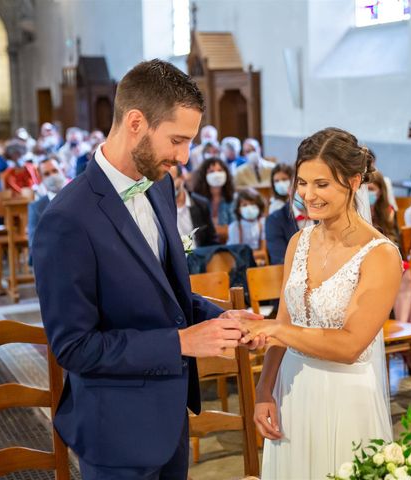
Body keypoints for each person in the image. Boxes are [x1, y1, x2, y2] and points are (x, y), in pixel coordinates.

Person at [33, 59, 263, 480]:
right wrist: (180, 342)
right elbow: (74, 348)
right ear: (136, 122)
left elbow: (168, 294)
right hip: (115, 431)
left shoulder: (160, 185)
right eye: (177, 140)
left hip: (170, 415)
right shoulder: (67, 219)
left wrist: (221, 320)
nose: (185, 157)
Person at [239, 128, 402, 479]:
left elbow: (350, 345)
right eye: (302, 182)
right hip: (292, 390)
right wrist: (265, 390)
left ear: (354, 181)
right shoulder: (299, 240)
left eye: (322, 184)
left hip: (345, 398)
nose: (307, 195)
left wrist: (276, 330)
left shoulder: (380, 256)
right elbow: (284, 321)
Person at [28, 156, 67, 262]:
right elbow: (34, 241)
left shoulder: (79, 197)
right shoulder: (36, 207)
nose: (52, 176)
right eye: (47, 174)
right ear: (41, 178)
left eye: (55, 171)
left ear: (62, 171)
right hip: (52, 258)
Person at [169, 164, 218, 247]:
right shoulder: (161, 208)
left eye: (171, 180)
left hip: (199, 256)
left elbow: (211, 238)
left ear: (182, 178)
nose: (167, 185)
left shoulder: (201, 204)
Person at [192, 157, 236, 227]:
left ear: (226, 173)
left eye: (220, 170)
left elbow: (234, 224)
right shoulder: (196, 199)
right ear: (204, 175)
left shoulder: (232, 198)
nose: (216, 174)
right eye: (211, 171)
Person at [368, 170, 400, 245]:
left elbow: (394, 239)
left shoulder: (389, 212)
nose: (366, 194)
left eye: (371, 189)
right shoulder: (354, 212)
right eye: (364, 190)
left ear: (380, 191)